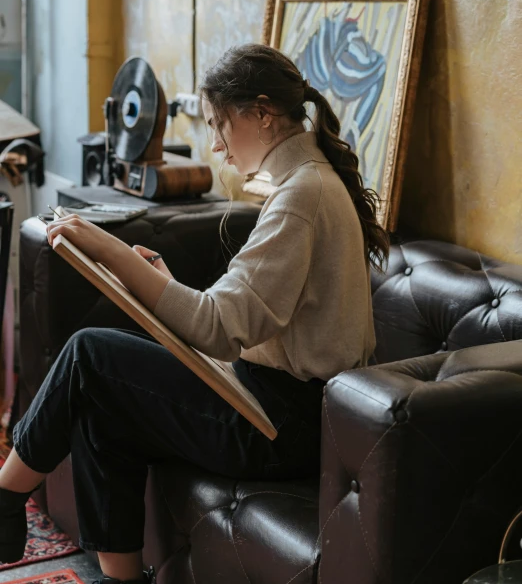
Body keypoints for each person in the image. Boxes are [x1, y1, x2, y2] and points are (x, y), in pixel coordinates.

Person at [0, 43, 389, 584]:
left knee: (89, 352)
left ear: (260, 112)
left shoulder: (303, 196)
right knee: (100, 408)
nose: (216, 146)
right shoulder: (307, 185)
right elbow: (244, 317)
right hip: (271, 402)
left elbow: (216, 328)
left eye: (218, 124)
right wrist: (167, 285)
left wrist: (107, 247)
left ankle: (5, 494)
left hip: (280, 424)